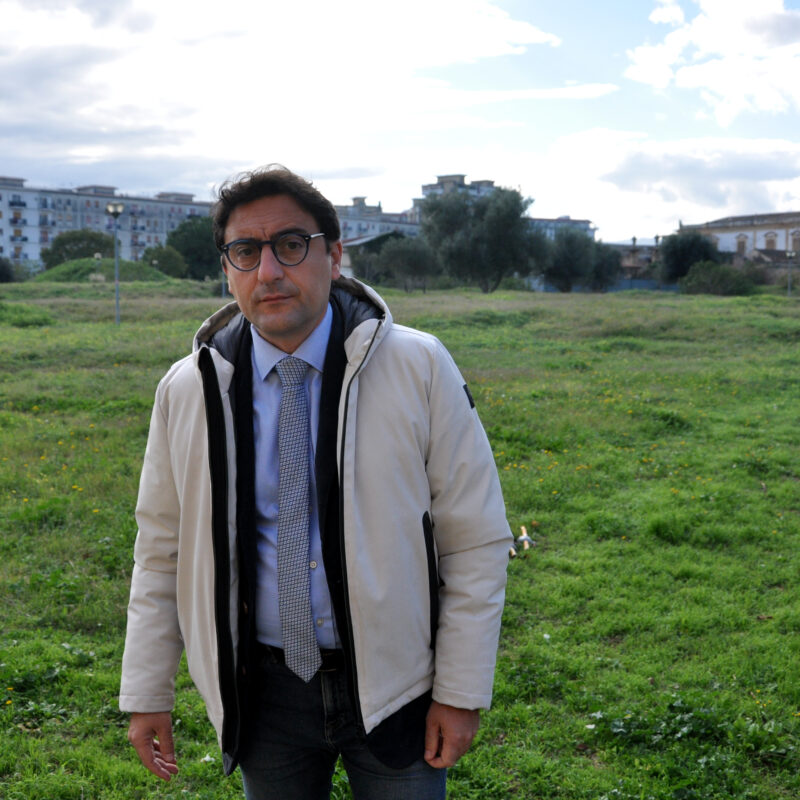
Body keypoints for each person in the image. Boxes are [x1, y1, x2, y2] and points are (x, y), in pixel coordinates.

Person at [119, 165, 512, 800]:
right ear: (228, 268)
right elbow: (160, 552)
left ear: (334, 254)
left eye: (291, 246)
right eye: (246, 251)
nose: (269, 271)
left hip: (397, 690)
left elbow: (475, 539)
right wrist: (145, 690)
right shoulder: (189, 390)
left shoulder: (419, 367)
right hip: (263, 696)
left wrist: (461, 692)